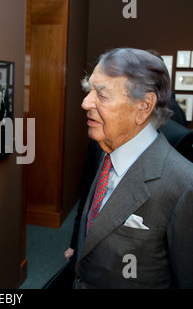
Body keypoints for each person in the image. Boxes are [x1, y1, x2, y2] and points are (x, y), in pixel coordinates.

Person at [68, 48, 193, 288]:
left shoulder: (184, 186)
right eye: (89, 90)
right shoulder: (106, 149)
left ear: (144, 107)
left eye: (102, 95)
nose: (85, 102)